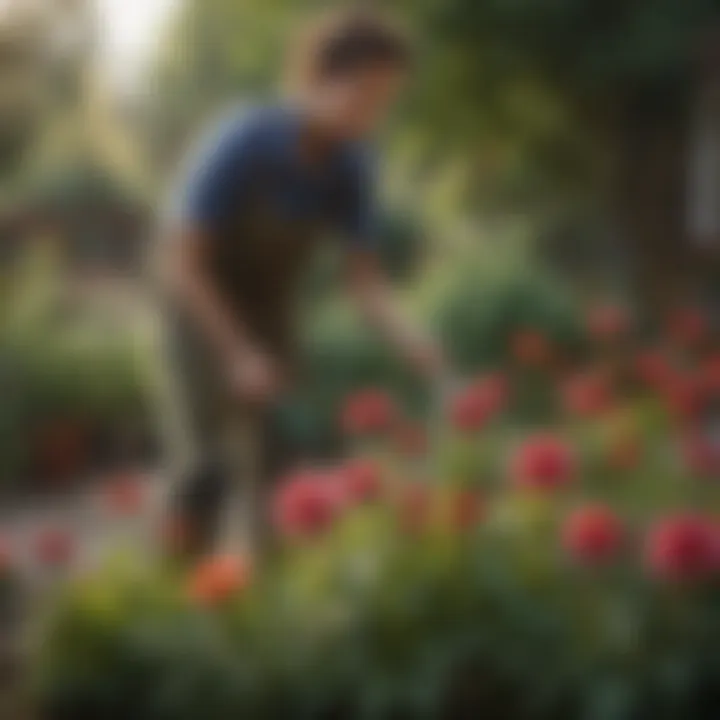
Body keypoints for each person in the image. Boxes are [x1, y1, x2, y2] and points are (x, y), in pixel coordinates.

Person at [157, 8, 444, 557]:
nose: (372, 112)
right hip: (196, 297)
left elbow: (364, 283)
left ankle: (276, 604)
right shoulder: (245, 139)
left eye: (385, 99)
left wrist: (414, 340)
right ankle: (175, 604)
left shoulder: (353, 165)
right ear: (315, 79)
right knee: (207, 463)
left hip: (268, 303)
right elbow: (182, 262)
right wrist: (238, 353)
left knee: (281, 457)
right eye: (363, 93)